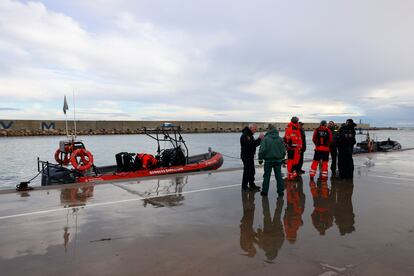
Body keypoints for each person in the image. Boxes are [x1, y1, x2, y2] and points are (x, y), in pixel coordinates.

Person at [258, 124, 286, 197]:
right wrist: (283, 158)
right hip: (278, 161)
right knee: (279, 176)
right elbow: (283, 150)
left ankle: (264, 192)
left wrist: (260, 158)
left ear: (269, 129)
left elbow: (262, 150)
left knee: (266, 176)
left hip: (268, 161)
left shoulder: (265, 139)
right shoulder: (280, 139)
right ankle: (280, 192)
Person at [240, 123, 264, 191]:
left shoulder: (250, 135)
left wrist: (260, 139)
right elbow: (250, 144)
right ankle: (244, 186)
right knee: (247, 171)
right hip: (246, 156)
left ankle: (252, 185)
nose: (255, 131)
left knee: (252, 171)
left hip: (250, 155)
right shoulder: (245, 135)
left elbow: (254, 144)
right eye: (255, 129)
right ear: (250, 128)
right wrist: (259, 138)